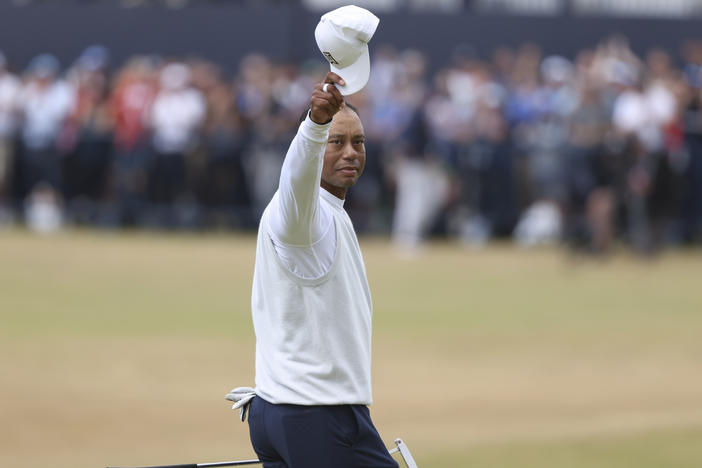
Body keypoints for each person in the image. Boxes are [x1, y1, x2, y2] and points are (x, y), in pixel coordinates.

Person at [228, 71, 398, 468]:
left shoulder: (329, 211)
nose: (351, 152)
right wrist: (315, 126)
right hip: (317, 413)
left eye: (358, 142)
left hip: (281, 409)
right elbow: (296, 180)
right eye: (336, 142)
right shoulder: (301, 217)